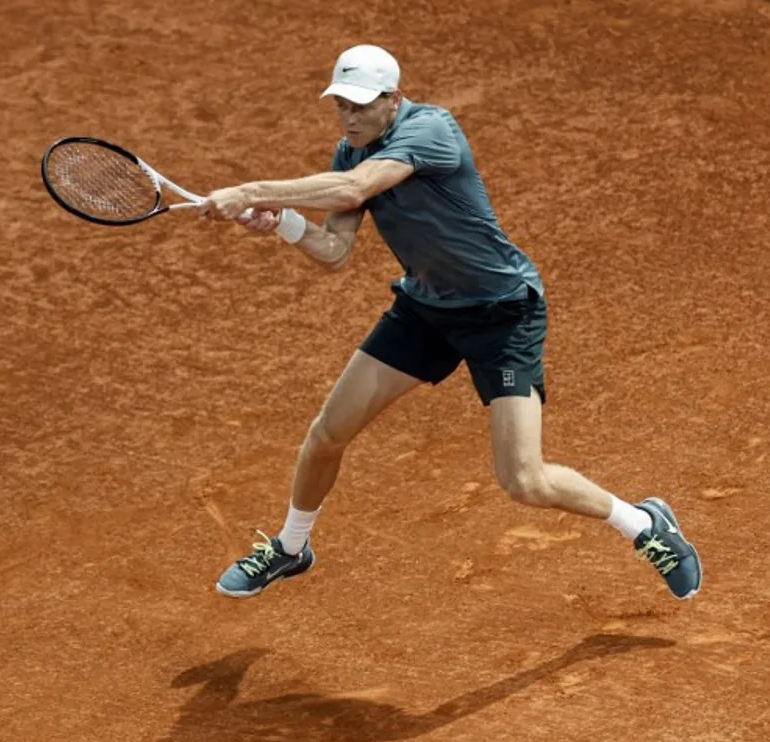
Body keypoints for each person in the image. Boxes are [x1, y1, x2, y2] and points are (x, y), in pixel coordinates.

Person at [197, 44, 702, 601]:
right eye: (341, 105)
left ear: (394, 98)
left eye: (362, 105)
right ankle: (291, 549)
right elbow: (335, 251)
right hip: (425, 311)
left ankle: (642, 524)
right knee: (326, 434)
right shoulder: (351, 153)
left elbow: (355, 189)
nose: (349, 117)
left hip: (501, 314)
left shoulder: (431, 129)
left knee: (524, 481)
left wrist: (251, 189)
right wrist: (285, 222)